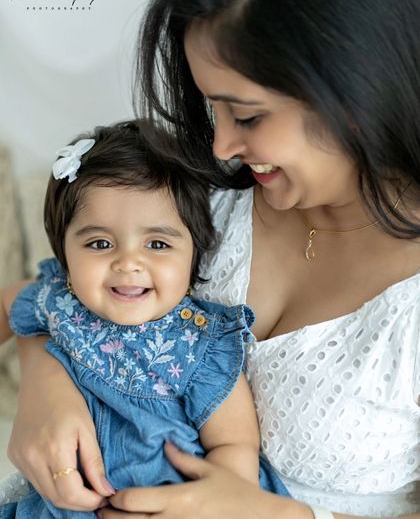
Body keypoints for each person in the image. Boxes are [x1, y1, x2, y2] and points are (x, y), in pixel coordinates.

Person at [4, 0, 420, 517]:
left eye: (246, 116)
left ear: (358, 94)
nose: (220, 146)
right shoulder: (200, 204)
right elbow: (59, 292)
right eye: (211, 106)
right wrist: (44, 382)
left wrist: (280, 515)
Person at [0, 119, 288, 518]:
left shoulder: (197, 342)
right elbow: (6, 304)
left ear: (194, 255)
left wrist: (217, 499)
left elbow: (235, 444)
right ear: (65, 255)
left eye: (157, 243)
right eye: (100, 243)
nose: (128, 263)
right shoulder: (58, 299)